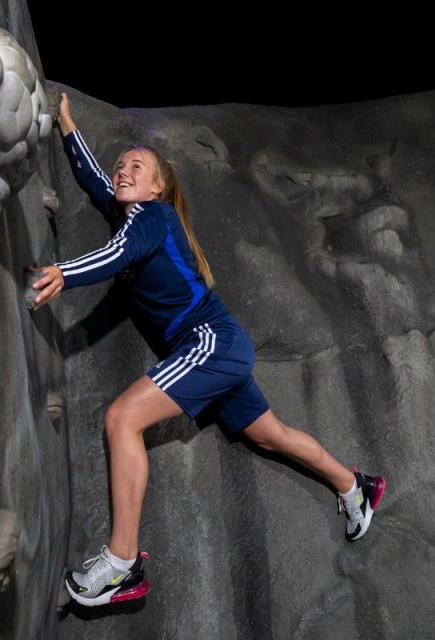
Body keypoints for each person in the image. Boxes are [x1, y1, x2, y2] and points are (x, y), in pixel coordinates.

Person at [32, 92, 386, 608]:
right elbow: (92, 178)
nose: (124, 170)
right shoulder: (132, 213)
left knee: (121, 419)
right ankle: (356, 485)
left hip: (210, 344)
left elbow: (114, 254)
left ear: (157, 187)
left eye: (138, 166)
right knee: (270, 437)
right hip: (218, 350)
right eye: (121, 165)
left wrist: (65, 272)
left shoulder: (150, 218)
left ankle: (121, 566)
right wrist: (66, 124)